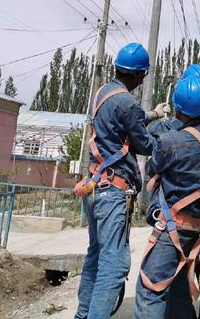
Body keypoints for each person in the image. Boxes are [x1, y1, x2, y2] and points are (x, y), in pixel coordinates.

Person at [75, 42, 170, 319]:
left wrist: (154, 114)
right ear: (139, 75)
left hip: (95, 188)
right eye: (143, 75)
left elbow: (126, 119)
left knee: (95, 258)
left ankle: (82, 315)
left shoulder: (103, 92)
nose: (142, 80)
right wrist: (167, 138)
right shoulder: (128, 101)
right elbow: (143, 143)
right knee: (113, 265)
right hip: (112, 193)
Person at [135, 75, 200, 319]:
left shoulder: (170, 140)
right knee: (177, 287)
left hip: (173, 226)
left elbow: (152, 169)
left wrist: (156, 119)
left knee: (149, 288)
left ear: (177, 109)